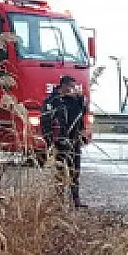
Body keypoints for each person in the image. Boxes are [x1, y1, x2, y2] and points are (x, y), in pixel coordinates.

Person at [41, 75, 88, 208]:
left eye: (74, 87)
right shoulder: (53, 101)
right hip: (60, 142)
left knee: (75, 170)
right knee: (61, 171)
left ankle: (76, 199)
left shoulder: (75, 101)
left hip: (74, 141)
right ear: (63, 86)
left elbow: (81, 118)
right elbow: (45, 122)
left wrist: (82, 102)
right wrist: (50, 141)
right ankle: (59, 199)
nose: (73, 89)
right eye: (70, 86)